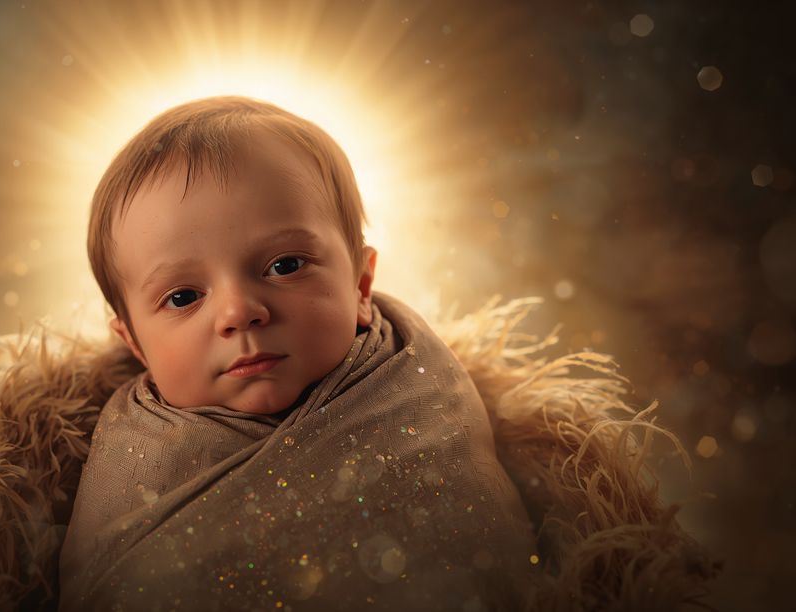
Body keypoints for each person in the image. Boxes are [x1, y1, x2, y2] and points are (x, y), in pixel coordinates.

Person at [59, 96, 541, 610]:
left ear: (360, 284)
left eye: (286, 265)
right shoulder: (133, 455)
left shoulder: (416, 384)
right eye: (183, 297)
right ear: (135, 343)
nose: (239, 312)